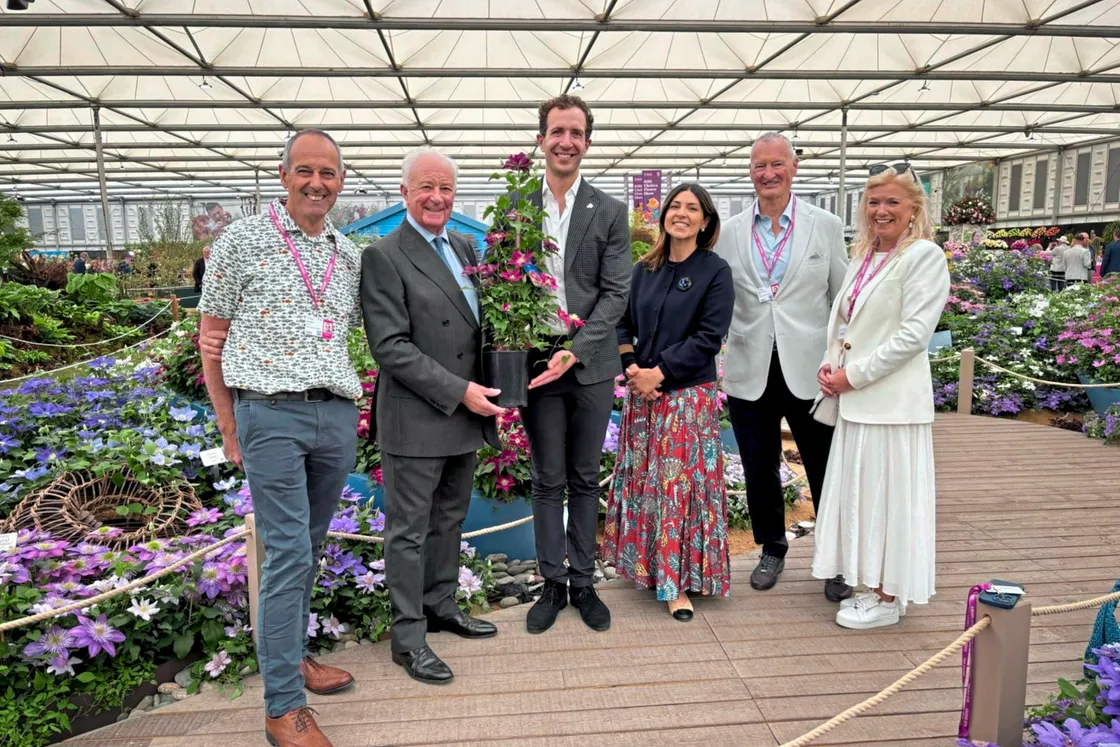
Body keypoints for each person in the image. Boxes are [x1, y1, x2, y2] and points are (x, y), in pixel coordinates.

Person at [197, 129, 361, 747]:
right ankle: (283, 708)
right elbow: (211, 339)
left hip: (334, 416)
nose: (317, 183)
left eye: (328, 173)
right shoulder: (241, 240)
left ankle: (290, 657)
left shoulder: (349, 254)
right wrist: (228, 423)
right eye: (305, 171)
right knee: (288, 551)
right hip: (269, 415)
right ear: (284, 174)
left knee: (308, 549)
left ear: (340, 181)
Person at [361, 148, 502, 684]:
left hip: (464, 412)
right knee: (409, 531)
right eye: (426, 187)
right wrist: (460, 391)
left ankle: (441, 605)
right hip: (419, 415)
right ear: (404, 192)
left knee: (449, 519)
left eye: (445, 188)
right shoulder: (384, 255)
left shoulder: (464, 245)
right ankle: (408, 637)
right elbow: (390, 346)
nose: (437, 197)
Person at [812, 163, 950, 630]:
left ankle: (889, 596)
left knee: (891, 501)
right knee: (865, 497)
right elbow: (848, 324)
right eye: (873, 202)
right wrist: (830, 362)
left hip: (891, 405)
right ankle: (872, 584)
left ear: (914, 208)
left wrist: (852, 376)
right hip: (858, 403)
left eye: (892, 201)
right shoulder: (865, 256)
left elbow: (913, 336)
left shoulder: (923, 256)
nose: (881, 210)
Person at [714, 132, 850, 599]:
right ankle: (772, 546)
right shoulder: (730, 232)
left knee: (824, 463)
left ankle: (835, 558)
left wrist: (842, 362)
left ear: (794, 167)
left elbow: (842, 300)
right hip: (749, 365)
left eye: (777, 164)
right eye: (759, 166)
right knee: (758, 465)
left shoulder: (825, 225)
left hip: (812, 370)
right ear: (750, 172)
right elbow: (719, 299)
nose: (768, 174)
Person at [520, 94, 632, 636]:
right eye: (557, 132)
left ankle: (584, 582)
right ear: (541, 138)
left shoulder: (608, 210)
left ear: (588, 142)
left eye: (576, 133)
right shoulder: (516, 205)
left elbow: (616, 293)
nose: (566, 142)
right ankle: (552, 583)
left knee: (585, 478)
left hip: (589, 363)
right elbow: (502, 282)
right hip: (538, 361)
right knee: (547, 478)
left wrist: (577, 348)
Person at [601, 183, 734, 621]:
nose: (681, 213)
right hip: (643, 394)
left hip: (686, 397)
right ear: (664, 216)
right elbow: (622, 323)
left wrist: (659, 373)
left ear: (705, 221)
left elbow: (709, 337)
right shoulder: (644, 269)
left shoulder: (715, 271)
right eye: (675, 206)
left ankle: (678, 585)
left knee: (677, 488)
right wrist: (632, 368)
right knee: (645, 483)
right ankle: (646, 568)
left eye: (692, 208)